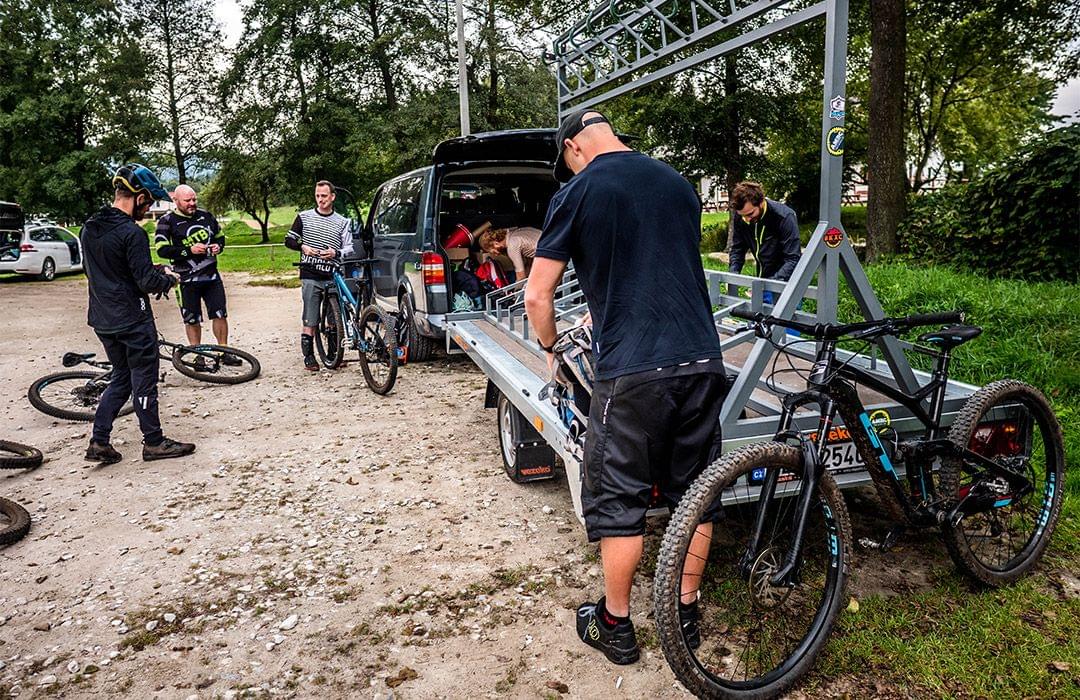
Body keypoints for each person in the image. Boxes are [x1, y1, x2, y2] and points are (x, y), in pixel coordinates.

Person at [524, 110, 728, 665]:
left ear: (572, 148)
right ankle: (685, 613)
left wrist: (549, 348)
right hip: (702, 360)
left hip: (633, 372)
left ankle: (615, 624)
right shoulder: (677, 184)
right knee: (697, 493)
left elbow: (539, 297)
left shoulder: (578, 192)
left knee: (620, 503)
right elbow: (655, 267)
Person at [82, 164, 196, 464]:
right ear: (140, 196)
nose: (147, 209)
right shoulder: (131, 232)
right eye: (148, 202)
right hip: (133, 317)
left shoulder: (90, 226)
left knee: (121, 377)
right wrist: (169, 278)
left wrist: (150, 270)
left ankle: (99, 441)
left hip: (102, 317)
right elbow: (145, 282)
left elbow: (113, 269)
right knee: (144, 379)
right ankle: (155, 442)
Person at [154, 184, 235, 356]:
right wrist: (188, 251)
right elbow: (161, 249)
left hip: (211, 277)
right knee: (192, 318)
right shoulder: (166, 221)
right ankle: (199, 354)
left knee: (220, 313)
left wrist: (218, 247)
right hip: (185, 280)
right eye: (187, 200)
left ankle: (224, 351)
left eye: (194, 199)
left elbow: (220, 238)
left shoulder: (206, 216)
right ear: (175, 200)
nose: (192, 203)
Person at [283, 180, 352, 371]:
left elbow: (350, 248)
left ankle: (333, 354)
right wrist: (302, 246)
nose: (320, 200)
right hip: (310, 273)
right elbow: (288, 240)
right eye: (317, 196)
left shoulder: (342, 221)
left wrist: (336, 253)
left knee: (334, 317)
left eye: (324, 196)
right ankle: (309, 357)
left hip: (332, 274)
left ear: (332, 197)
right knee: (311, 317)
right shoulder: (304, 217)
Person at [728, 181, 802, 304]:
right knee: (763, 320)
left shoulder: (784, 217)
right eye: (743, 216)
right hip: (763, 278)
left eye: (750, 214)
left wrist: (768, 285)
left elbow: (793, 258)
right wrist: (733, 274)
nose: (747, 219)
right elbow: (738, 248)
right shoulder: (741, 216)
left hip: (787, 280)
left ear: (761, 202)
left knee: (786, 321)